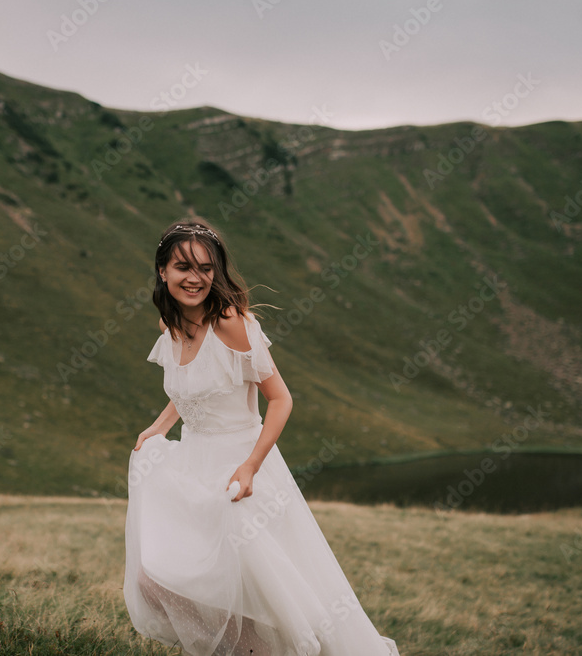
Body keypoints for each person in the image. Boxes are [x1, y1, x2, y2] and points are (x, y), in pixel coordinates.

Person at [123, 219, 400, 656]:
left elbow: (282, 399)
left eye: (206, 268)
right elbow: (194, 382)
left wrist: (251, 465)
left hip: (242, 464)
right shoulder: (169, 324)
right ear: (162, 271)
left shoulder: (230, 323)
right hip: (194, 463)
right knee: (156, 577)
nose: (195, 278)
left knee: (259, 590)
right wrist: (160, 425)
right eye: (182, 266)